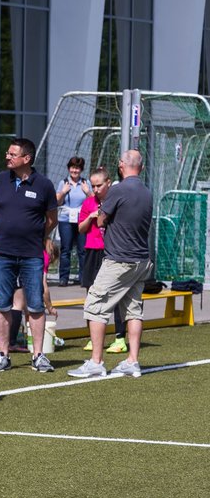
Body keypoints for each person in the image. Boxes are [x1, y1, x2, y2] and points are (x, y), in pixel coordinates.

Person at [68, 150, 154, 379]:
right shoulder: (146, 192)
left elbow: (102, 218)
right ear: (141, 168)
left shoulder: (118, 189)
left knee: (95, 304)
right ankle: (132, 361)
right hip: (141, 260)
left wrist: (102, 216)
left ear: (121, 166)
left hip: (119, 259)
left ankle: (96, 362)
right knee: (133, 309)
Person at [0, 137, 57, 373]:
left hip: (32, 255)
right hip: (3, 253)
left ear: (26, 159)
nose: (7, 157)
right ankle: (3, 354)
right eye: (7, 153)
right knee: (2, 304)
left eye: (12, 154)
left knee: (36, 305)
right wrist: (5, 229)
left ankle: (38, 355)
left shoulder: (44, 185)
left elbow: (51, 219)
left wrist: (34, 234)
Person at [76, 167, 127, 353]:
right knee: (92, 295)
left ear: (108, 183)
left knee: (115, 295)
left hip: (112, 252)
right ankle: (93, 338)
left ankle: (120, 338)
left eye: (99, 185)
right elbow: (80, 229)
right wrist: (90, 218)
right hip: (92, 251)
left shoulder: (117, 200)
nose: (96, 189)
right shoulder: (89, 203)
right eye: (93, 186)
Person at [56, 156, 89, 286]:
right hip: (65, 219)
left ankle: (84, 278)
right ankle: (63, 278)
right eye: (73, 167)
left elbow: (92, 200)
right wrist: (63, 192)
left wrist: (87, 192)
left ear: (81, 170)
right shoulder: (63, 183)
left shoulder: (85, 183)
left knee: (82, 250)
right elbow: (57, 201)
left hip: (82, 219)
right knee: (66, 249)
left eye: (77, 168)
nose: (74, 170)